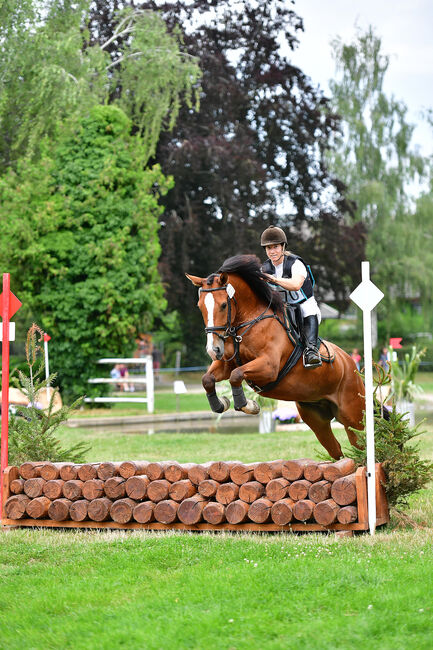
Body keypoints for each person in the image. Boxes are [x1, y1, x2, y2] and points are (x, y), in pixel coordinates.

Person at [260, 225, 322, 368]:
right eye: (269, 248)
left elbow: (295, 285)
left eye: (275, 247)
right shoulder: (264, 268)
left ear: (283, 247)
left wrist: (273, 279)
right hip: (281, 306)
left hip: (303, 303)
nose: (272, 251)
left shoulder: (296, 263)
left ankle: (311, 351)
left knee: (308, 309)